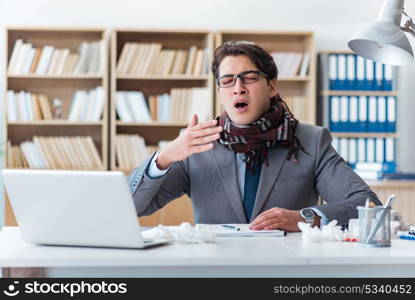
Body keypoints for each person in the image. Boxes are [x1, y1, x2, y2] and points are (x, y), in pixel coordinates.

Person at [128, 41, 380, 232]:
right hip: (215, 275)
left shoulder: (310, 141)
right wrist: (164, 158)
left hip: (286, 274)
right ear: (219, 92)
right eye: (227, 81)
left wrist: (304, 218)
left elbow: (369, 207)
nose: (238, 87)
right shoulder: (195, 143)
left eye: (249, 78)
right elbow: (132, 208)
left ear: (271, 86)